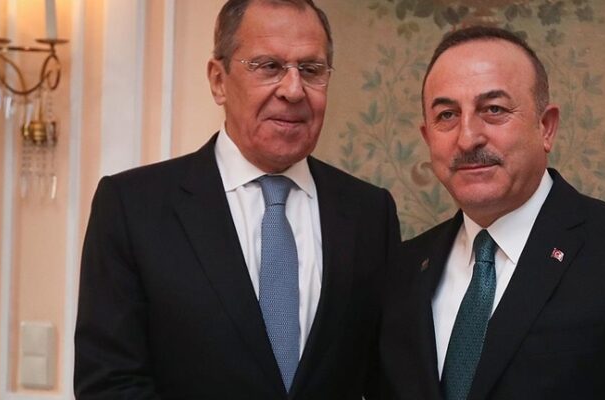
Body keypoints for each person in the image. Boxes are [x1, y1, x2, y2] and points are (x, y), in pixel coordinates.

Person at [74, 1, 399, 398]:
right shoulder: (132, 207)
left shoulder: (370, 213)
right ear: (218, 80)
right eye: (269, 66)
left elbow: (386, 379)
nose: (293, 90)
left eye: (311, 70)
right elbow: (109, 384)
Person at [379, 26, 605, 399]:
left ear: (546, 127)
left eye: (493, 110)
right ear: (428, 137)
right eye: (447, 115)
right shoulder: (404, 269)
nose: (467, 138)